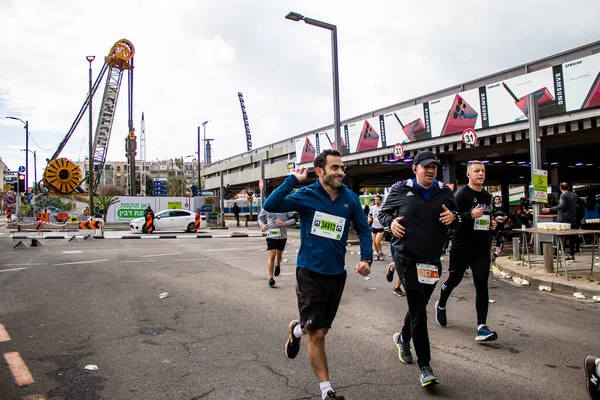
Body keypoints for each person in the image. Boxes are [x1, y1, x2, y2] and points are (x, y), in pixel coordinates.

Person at [263, 149, 372, 400]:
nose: (340, 172)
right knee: (319, 334)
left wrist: (366, 258)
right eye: (335, 168)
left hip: (336, 273)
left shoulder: (351, 199)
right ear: (320, 171)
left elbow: (364, 230)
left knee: (318, 328)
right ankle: (326, 390)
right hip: (310, 272)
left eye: (342, 168)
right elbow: (271, 205)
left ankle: (297, 330)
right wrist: (292, 180)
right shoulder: (306, 195)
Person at [378, 150, 460, 387]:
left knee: (420, 306)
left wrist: (454, 218)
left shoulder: (444, 192)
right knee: (418, 310)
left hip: (432, 261)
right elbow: (383, 214)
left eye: (434, 166)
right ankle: (425, 366)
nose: (431, 170)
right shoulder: (401, 190)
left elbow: (458, 219)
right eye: (425, 166)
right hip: (407, 258)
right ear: (415, 168)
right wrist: (391, 223)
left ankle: (402, 337)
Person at [435, 160, 499, 345]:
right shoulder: (461, 195)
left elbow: (486, 219)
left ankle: (481, 327)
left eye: (483, 171)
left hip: (481, 248)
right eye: (476, 171)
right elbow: (451, 220)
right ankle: (441, 304)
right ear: (468, 174)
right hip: (462, 246)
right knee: (453, 280)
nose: (480, 174)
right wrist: (469, 215)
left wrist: (492, 224)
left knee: (481, 284)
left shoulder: (487, 197)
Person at [542, 182, 583, 260]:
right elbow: (582, 203)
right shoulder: (574, 195)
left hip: (563, 219)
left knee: (560, 237)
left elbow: (562, 205)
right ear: (568, 187)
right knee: (572, 238)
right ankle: (571, 254)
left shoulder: (563, 195)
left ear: (560, 188)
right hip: (573, 218)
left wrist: (550, 209)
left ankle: (556, 254)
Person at [257, 208, 297, 287]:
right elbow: (260, 218)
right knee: (272, 256)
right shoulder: (267, 206)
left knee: (279, 255)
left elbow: (294, 219)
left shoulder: (285, 207)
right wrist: (263, 226)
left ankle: (277, 265)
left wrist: (284, 223)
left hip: (282, 236)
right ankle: (271, 278)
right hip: (271, 234)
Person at [368, 195, 386, 261]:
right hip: (374, 226)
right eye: (375, 200)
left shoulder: (382, 208)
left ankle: (381, 253)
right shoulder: (372, 208)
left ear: (380, 200)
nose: (376, 201)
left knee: (377, 241)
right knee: (374, 242)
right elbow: (369, 215)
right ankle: (378, 254)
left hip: (380, 226)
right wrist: (369, 218)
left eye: (378, 200)